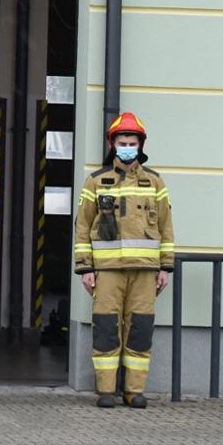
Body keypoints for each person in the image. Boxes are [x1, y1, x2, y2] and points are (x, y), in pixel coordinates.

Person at [74, 112, 174, 408]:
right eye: (122, 141)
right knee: (106, 329)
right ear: (113, 145)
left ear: (140, 145)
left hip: (144, 272)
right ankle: (106, 391)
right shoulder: (95, 182)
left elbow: (166, 228)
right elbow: (82, 228)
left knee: (140, 330)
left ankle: (134, 391)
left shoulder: (155, 182)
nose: (127, 146)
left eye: (132, 142)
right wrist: (85, 269)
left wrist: (165, 267)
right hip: (107, 272)